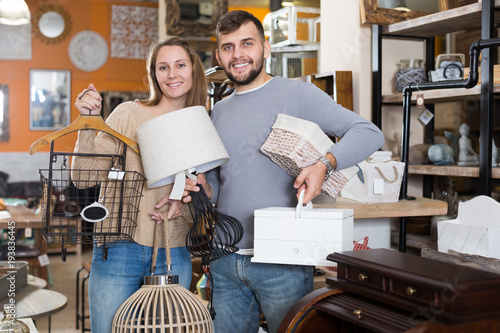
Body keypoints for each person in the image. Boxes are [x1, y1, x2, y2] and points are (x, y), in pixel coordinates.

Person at [181, 10, 385, 333]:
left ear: (266, 47)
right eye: (228, 47)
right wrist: (204, 188)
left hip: (283, 262)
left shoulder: (296, 94)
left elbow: (369, 133)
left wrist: (324, 164)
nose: (238, 55)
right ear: (219, 56)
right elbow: (220, 187)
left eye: (247, 43)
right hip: (224, 260)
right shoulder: (218, 111)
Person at [71, 36, 207, 331]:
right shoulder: (128, 114)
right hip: (119, 247)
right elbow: (83, 178)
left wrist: (188, 194)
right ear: (154, 74)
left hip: (174, 250)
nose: (172, 74)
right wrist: (87, 121)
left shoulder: (203, 122)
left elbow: (209, 190)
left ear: (193, 70)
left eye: (180, 65)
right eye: (163, 67)